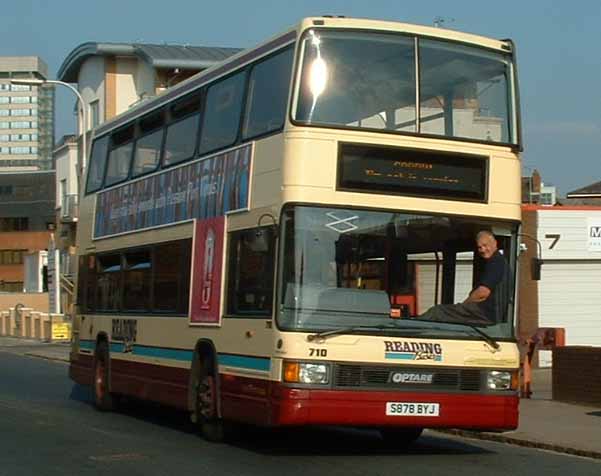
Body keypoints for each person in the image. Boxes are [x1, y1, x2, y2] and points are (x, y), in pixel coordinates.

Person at [418, 230, 507, 326]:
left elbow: (482, 293)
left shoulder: (496, 262)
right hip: (487, 314)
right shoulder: (499, 262)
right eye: (479, 247)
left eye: (485, 245)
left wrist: (465, 305)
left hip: (484, 313)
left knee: (437, 312)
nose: (482, 250)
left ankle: (413, 328)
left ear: (495, 243)